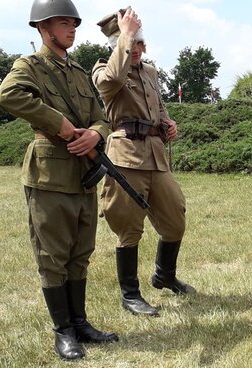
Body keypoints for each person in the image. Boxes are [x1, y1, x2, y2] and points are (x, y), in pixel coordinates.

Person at [0, 0, 119, 361]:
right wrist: (59, 124)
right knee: (53, 256)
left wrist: (96, 135)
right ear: (43, 29)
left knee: (81, 253)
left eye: (73, 24)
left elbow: (102, 117)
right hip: (49, 174)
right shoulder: (30, 66)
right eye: (63, 23)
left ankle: (80, 323)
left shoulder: (79, 72)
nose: (71, 29)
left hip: (84, 173)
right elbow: (7, 96)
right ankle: (63, 331)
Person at [92, 7, 195, 317]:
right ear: (117, 44)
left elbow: (158, 106)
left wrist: (168, 123)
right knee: (129, 227)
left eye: (139, 42)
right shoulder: (102, 69)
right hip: (126, 157)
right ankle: (130, 294)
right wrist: (124, 34)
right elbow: (112, 79)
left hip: (155, 155)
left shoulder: (150, 71)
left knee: (175, 217)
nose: (136, 49)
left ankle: (164, 275)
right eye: (129, 43)